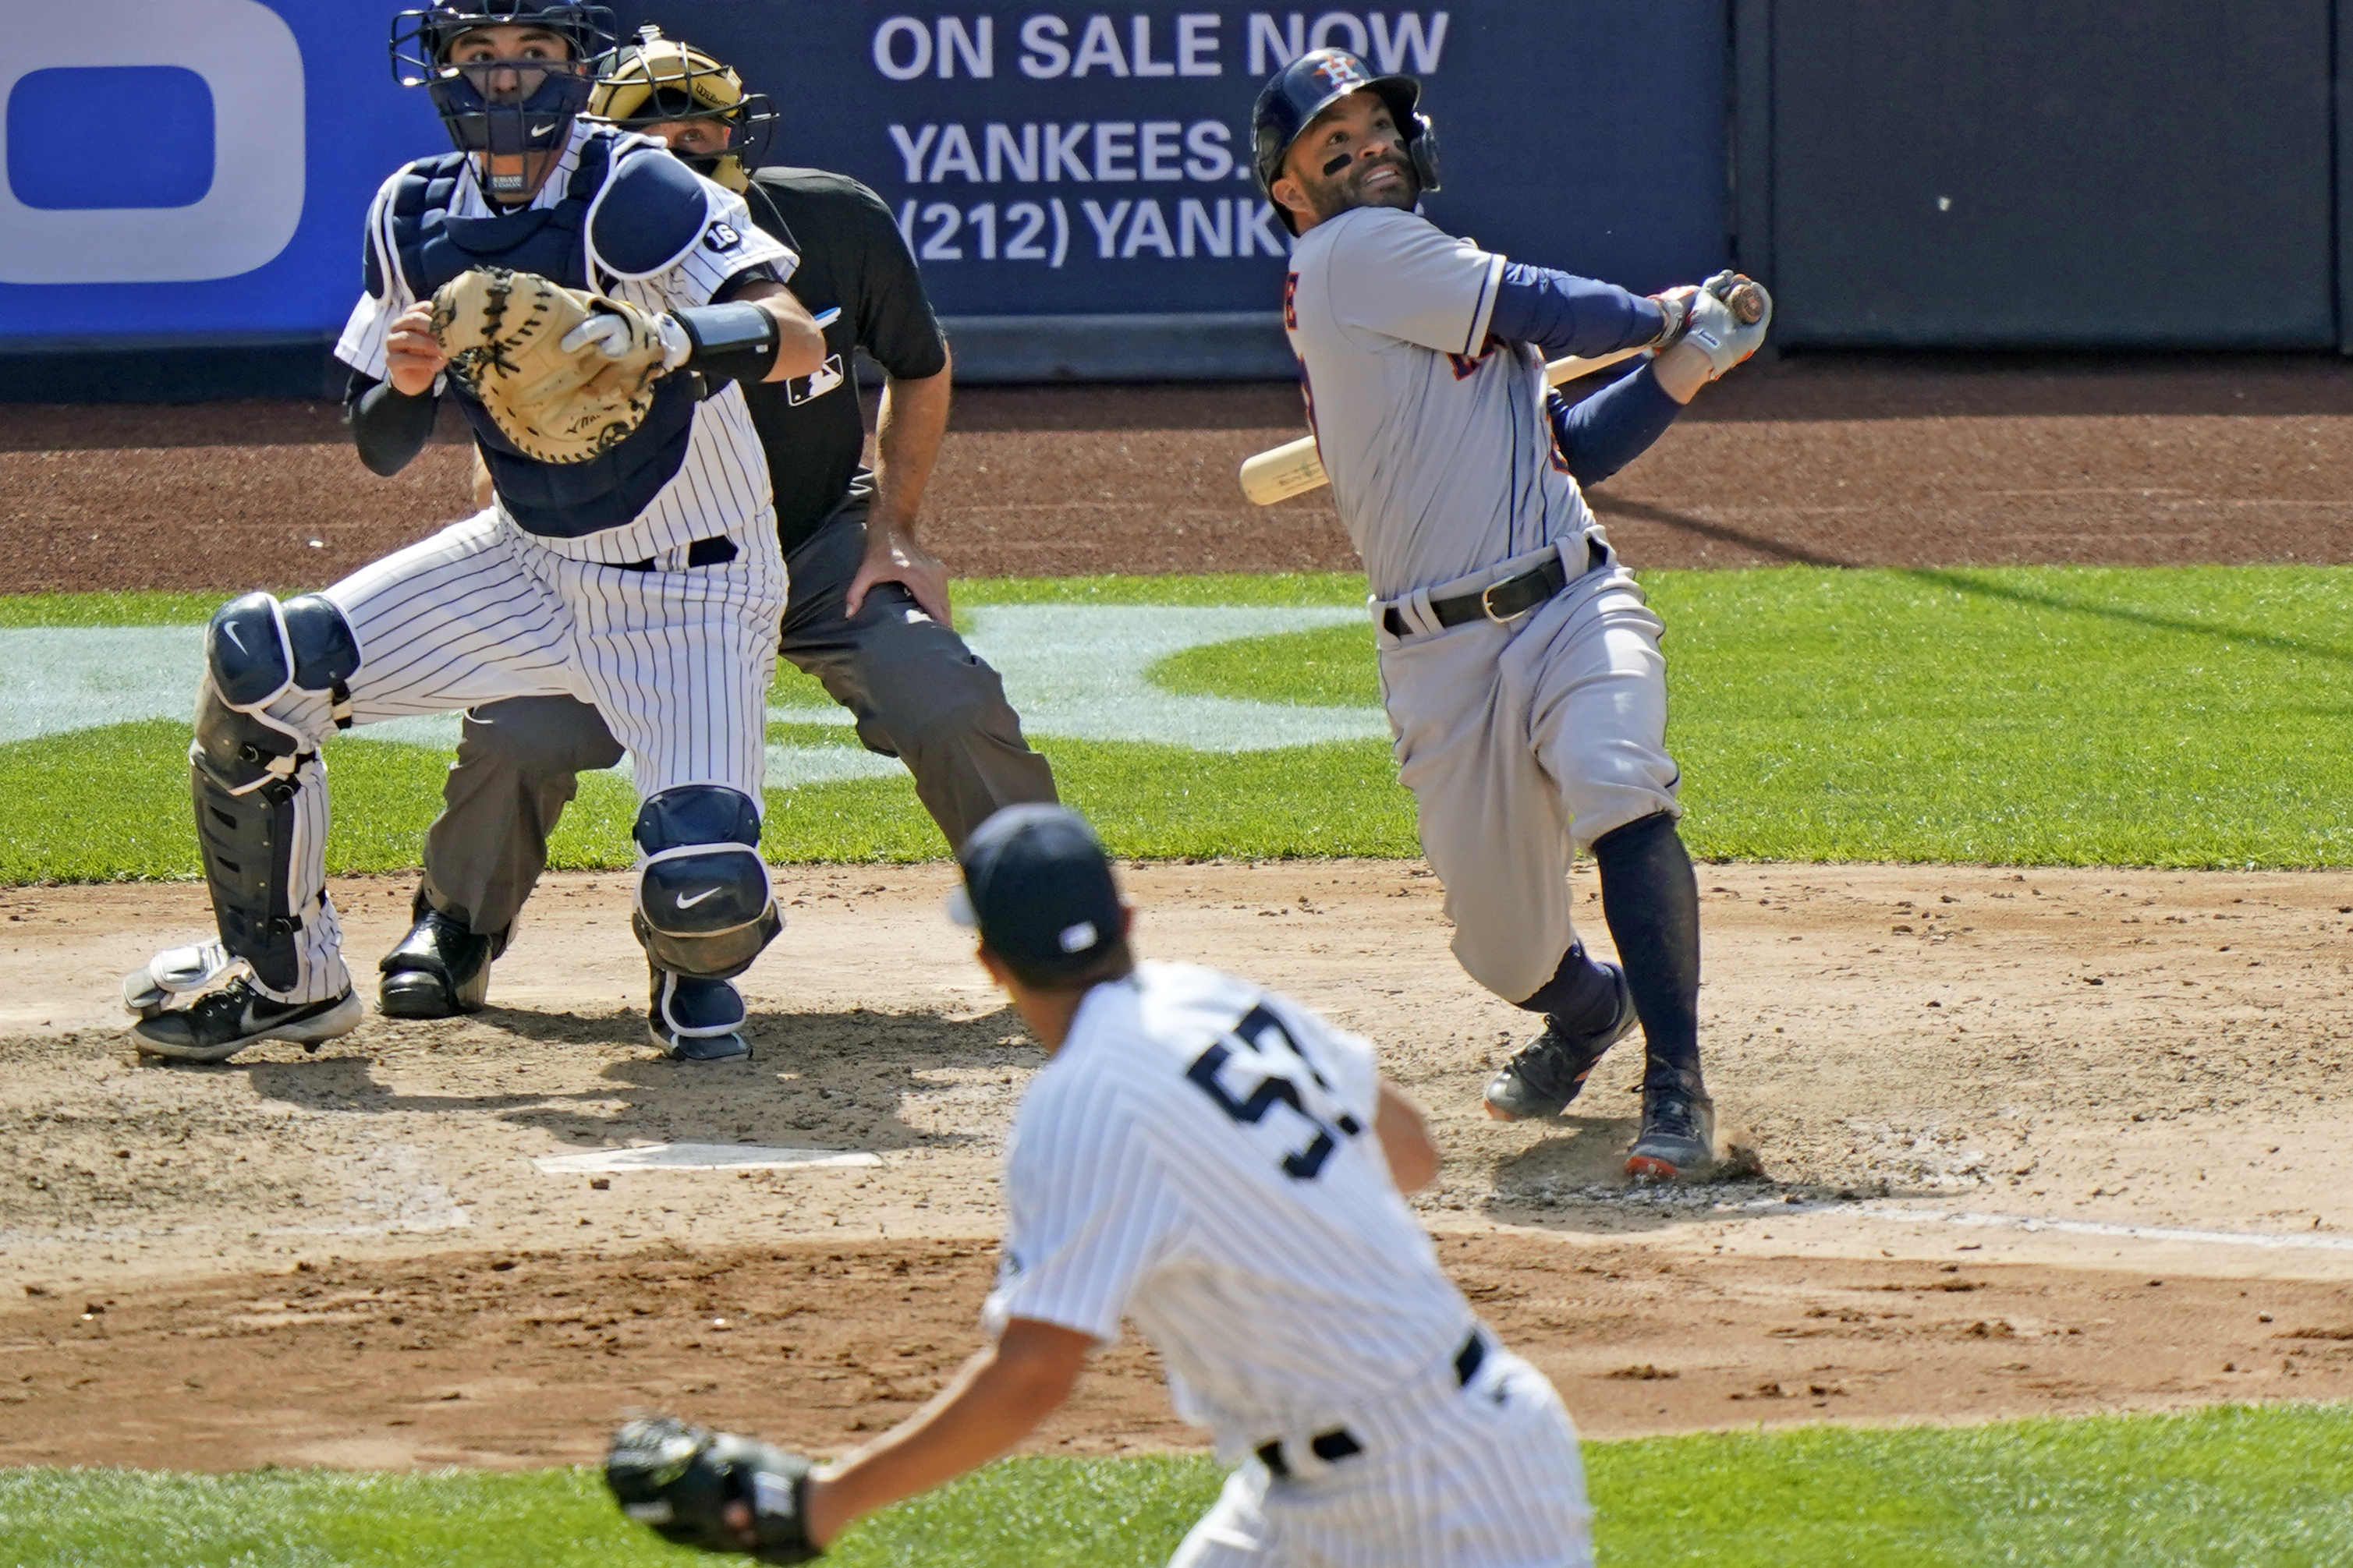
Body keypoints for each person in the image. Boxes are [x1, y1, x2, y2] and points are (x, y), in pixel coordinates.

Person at [604, 803, 1598, 1568]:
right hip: (1362, 1473)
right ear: (1125, 918)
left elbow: (1032, 1374)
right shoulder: (1218, 997)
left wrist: (821, 1504)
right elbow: (1412, 1153)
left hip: (1440, 1502)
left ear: (991, 963)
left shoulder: (1081, 1102)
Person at [119, 0, 830, 1064]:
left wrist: (670, 336)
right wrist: (408, 380)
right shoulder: (413, 211)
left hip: (695, 583)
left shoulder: (631, 187)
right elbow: (381, 441)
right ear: (444, 70)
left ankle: (687, 959)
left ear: (573, 65)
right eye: (479, 54)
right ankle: (285, 980)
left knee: (702, 892)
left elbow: (794, 334)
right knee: (262, 667)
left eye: (533, 54)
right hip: (530, 562)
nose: (506, 78)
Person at [376, 24, 1059, 1043]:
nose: (686, 136)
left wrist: (899, 529)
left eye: (702, 113)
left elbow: (920, 360)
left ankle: (1055, 927)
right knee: (521, 728)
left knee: (946, 697)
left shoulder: (831, 218)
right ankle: (456, 924)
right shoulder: (559, 245)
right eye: (653, 118)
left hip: (815, 541)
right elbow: (503, 409)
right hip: (631, 566)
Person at [1252, 51, 1771, 1178]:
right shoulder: (1349, 257)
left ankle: (1674, 1080)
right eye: (1329, 146)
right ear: (1290, 193)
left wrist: (1677, 370)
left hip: (1571, 594)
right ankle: (1590, 1011)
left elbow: (1568, 448)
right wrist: (1663, 311)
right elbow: (1547, 303)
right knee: (1504, 948)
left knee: (1617, 778)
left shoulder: (1437, 273)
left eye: (1377, 131)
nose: (1364, 149)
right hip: (1438, 653)